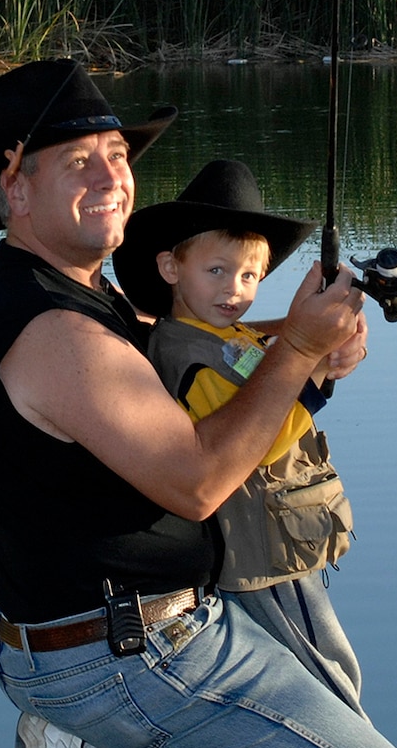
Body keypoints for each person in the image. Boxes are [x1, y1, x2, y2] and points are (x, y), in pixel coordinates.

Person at [0, 59, 397, 748]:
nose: (112, 177)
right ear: (15, 190)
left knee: (338, 705)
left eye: (117, 155)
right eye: (78, 162)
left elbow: (185, 338)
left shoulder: (66, 291)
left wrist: (302, 332)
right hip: (122, 655)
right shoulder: (57, 336)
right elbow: (199, 477)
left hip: (100, 632)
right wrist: (303, 351)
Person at [111, 158, 365, 716]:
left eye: (250, 276)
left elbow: (271, 365)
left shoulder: (228, 336)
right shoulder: (185, 354)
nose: (236, 290)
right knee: (325, 680)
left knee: (325, 670)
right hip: (263, 562)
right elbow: (251, 450)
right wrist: (311, 375)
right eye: (218, 271)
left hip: (281, 547)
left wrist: (322, 344)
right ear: (170, 267)